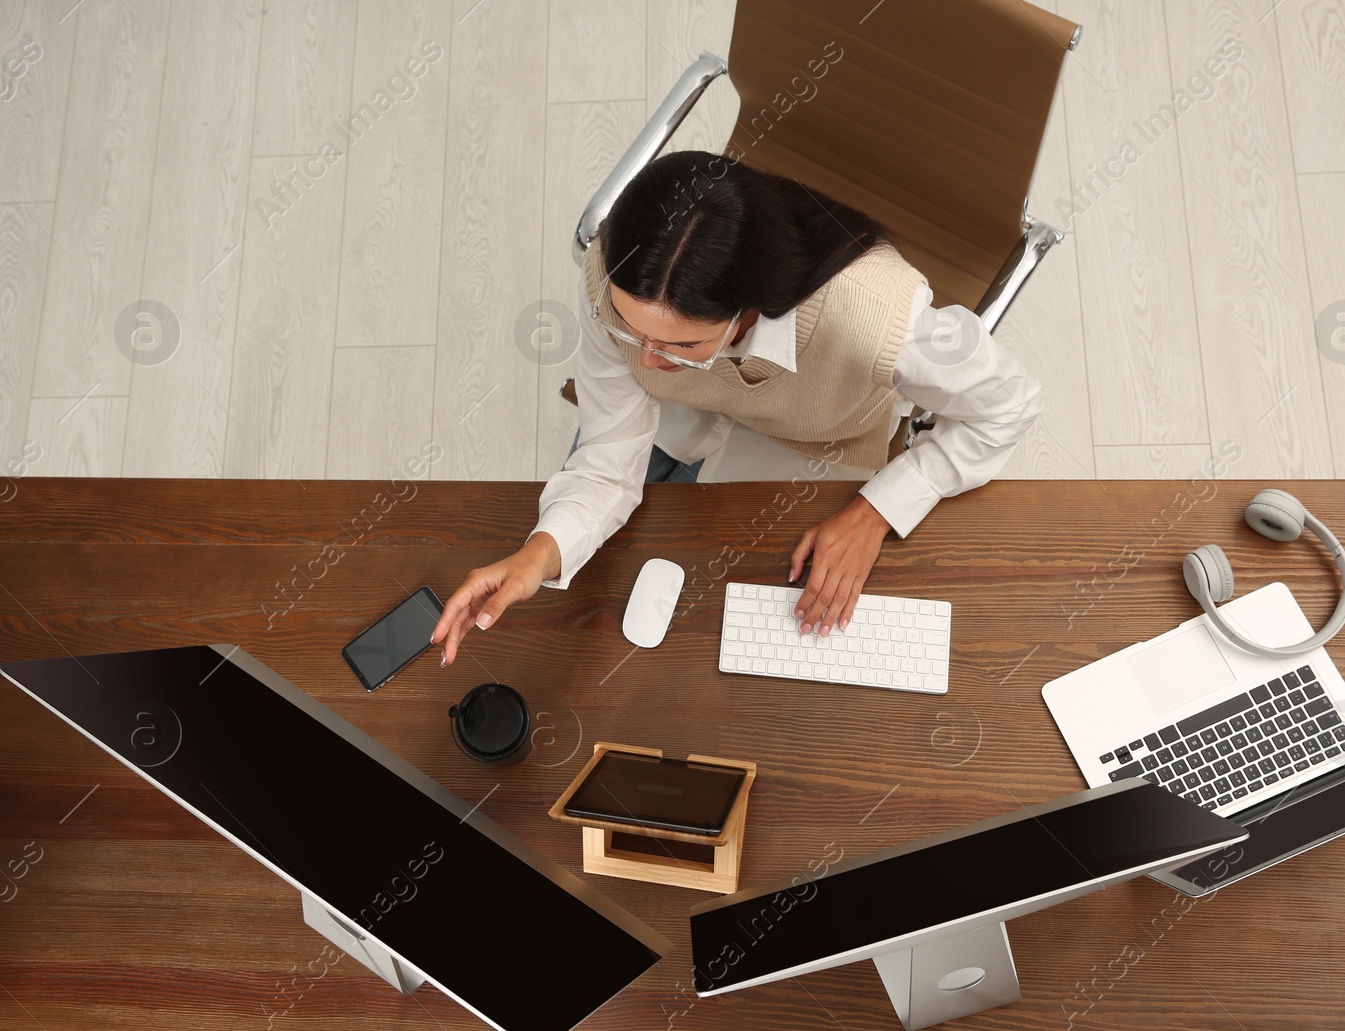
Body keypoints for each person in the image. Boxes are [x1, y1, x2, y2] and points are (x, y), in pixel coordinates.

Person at [431, 151, 1042, 666]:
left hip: (812, 442)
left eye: (680, 344)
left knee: (743, 631)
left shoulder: (875, 314)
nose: (643, 362)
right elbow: (607, 457)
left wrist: (877, 510)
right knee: (589, 601)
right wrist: (537, 555)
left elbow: (1009, 405)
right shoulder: (617, 276)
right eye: (630, 330)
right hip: (680, 416)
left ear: (753, 304)